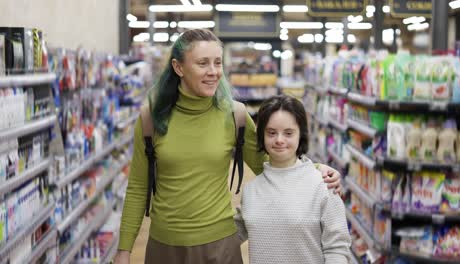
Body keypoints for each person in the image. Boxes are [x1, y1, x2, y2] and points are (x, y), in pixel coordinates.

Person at [114, 29, 342, 264]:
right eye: (203, 63)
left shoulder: (235, 115)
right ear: (178, 67)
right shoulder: (151, 119)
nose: (213, 72)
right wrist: (124, 249)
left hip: (220, 245)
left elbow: (272, 163)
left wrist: (314, 171)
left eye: (217, 62)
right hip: (165, 247)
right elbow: (138, 187)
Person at [235, 95, 351, 264]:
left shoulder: (324, 184)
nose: (279, 140)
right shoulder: (251, 189)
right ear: (262, 135)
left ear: (300, 134)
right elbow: (232, 234)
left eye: (288, 133)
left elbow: (337, 248)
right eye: (271, 133)